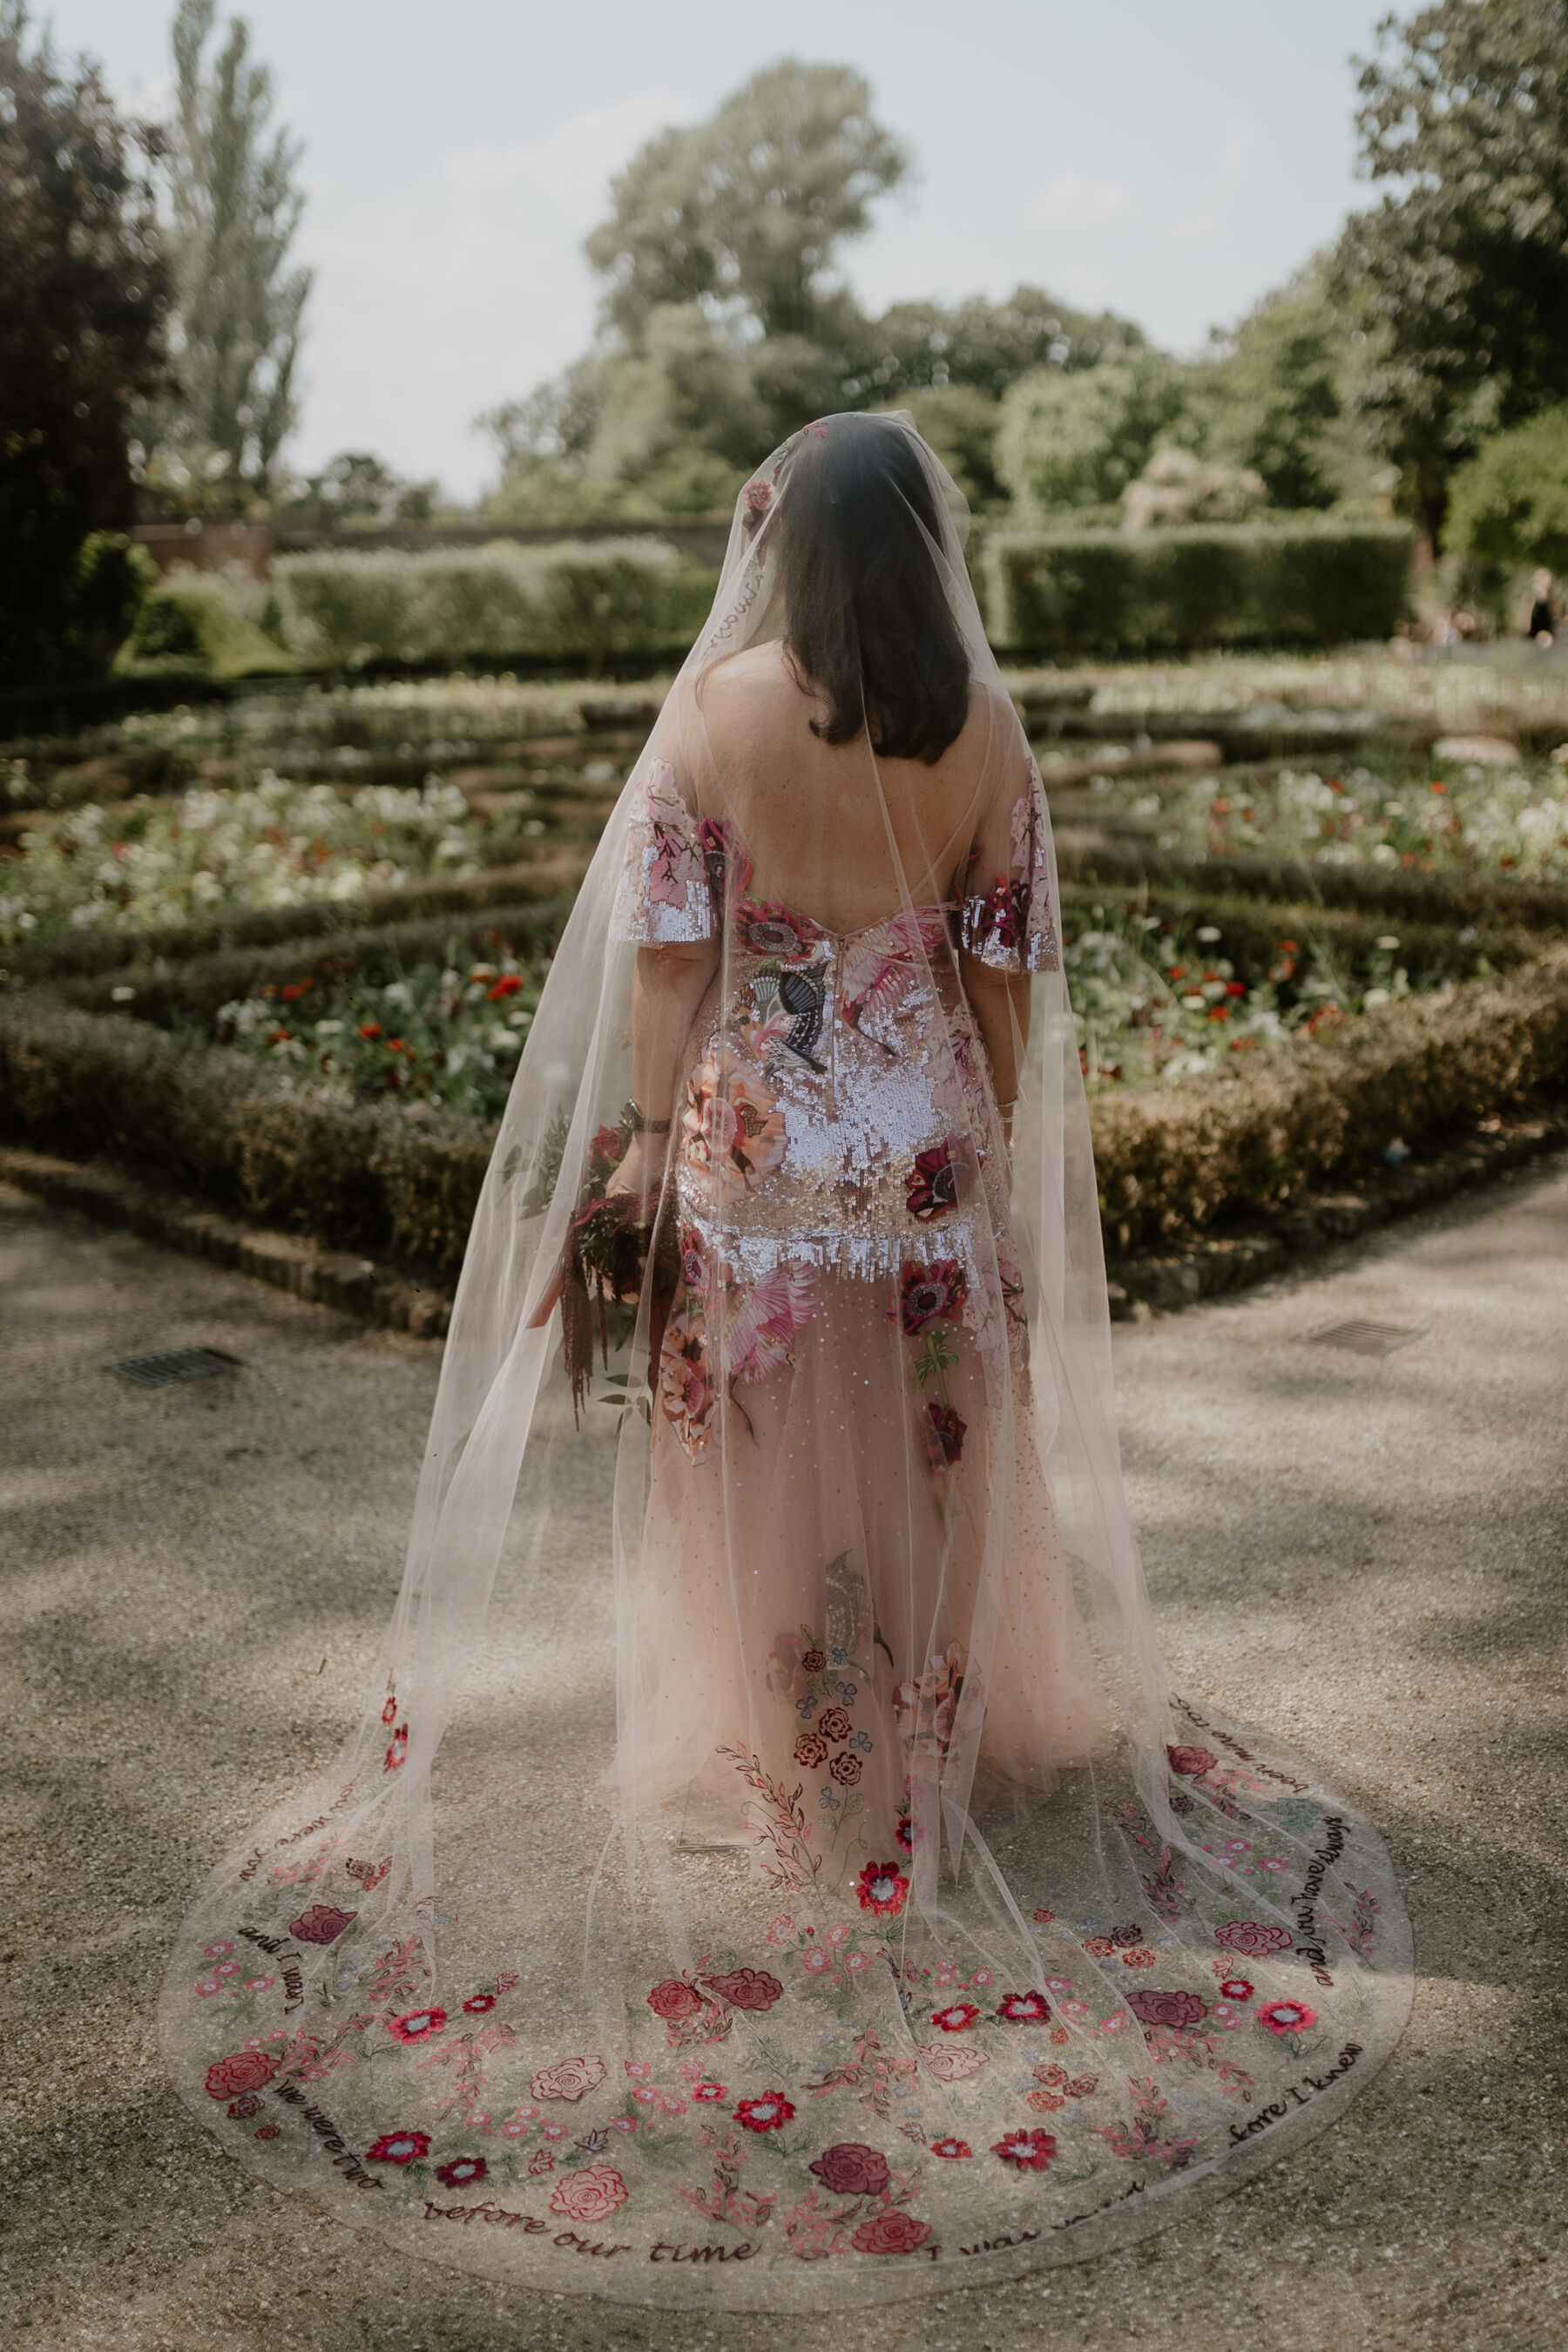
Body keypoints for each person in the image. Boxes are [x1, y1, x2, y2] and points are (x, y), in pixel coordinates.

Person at [160, 416, 1410, 2311]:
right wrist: (969, 1131)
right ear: (925, 550)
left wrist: (658, 1146)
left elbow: (670, 972)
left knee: (755, 1458)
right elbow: (1007, 978)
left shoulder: (713, 714)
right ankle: (921, 1735)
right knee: (924, 1452)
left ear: (780, 546)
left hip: (755, 1152)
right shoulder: (983, 723)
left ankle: (803, 1758)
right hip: (917, 1152)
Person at [1527, 569, 1557, 645]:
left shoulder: (1552, 600)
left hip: (1548, 632)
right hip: (1535, 632)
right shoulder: (1531, 598)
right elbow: (1527, 615)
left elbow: (1557, 614)